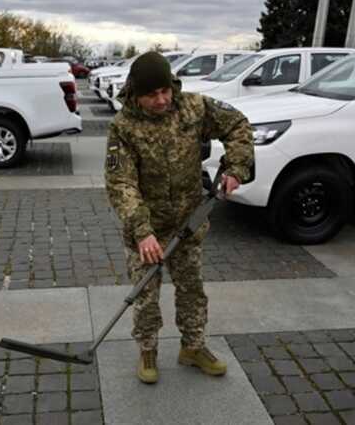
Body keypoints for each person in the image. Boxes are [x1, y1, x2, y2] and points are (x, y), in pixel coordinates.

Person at [104, 51, 254, 384]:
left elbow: (239, 125)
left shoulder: (194, 107)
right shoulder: (124, 127)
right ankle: (148, 349)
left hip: (189, 220)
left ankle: (193, 347)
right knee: (146, 294)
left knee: (192, 289)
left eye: (165, 91)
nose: (161, 100)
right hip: (147, 226)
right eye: (151, 95)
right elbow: (121, 183)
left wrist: (236, 167)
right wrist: (142, 232)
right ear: (135, 94)